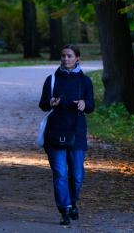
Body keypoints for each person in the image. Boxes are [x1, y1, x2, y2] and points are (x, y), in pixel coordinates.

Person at [38, 44, 95, 225]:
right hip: (55, 133)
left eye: (69, 56)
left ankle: (72, 201)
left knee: (77, 175)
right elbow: (43, 104)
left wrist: (84, 104)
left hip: (77, 133)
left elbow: (91, 106)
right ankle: (65, 209)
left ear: (77, 58)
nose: (65, 59)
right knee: (60, 173)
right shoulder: (52, 79)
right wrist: (51, 102)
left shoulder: (85, 81)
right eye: (63, 56)